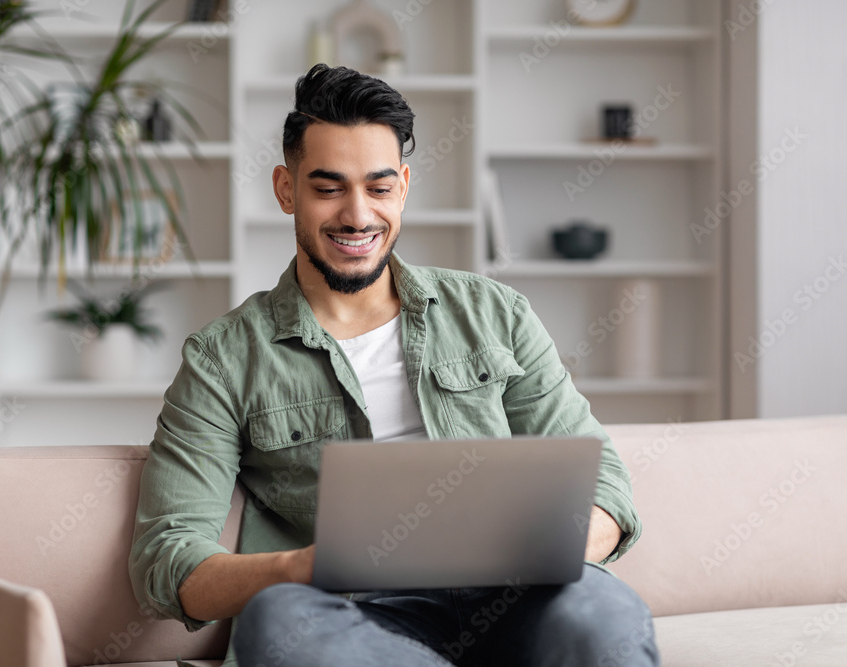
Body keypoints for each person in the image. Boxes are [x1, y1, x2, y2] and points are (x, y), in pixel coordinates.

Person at [129, 64, 660, 667]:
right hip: (354, 614)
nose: (357, 216)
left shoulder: (495, 312)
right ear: (285, 189)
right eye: (328, 188)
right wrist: (300, 566)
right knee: (278, 619)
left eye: (378, 188)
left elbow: (609, 490)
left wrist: (547, 550)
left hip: (518, 600)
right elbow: (166, 560)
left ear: (403, 187)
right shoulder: (223, 360)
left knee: (603, 611)